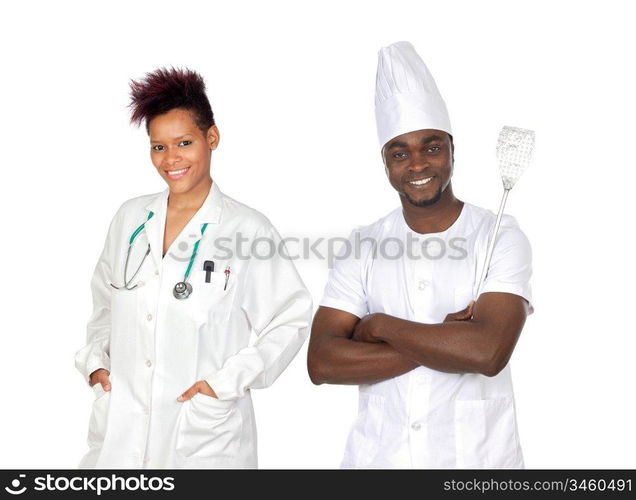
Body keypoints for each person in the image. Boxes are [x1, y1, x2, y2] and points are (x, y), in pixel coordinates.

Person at [307, 42, 533, 468]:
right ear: (386, 163)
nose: (417, 164)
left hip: (476, 463)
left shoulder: (499, 235)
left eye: (431, 147)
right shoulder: (364, 244)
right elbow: (322, 362)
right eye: (400, 152)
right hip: (379, 462)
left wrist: (379, 325)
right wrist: (446, 342)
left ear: (451, 149)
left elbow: (486, 354)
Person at [75, 67, 312, 468]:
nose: (171, 159)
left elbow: (291, 317)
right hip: (120, 437)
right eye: (158, 147)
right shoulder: (130, 218)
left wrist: (223, 386)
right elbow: (104, 304)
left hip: (204, 440)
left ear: (212, 138)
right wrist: (98, 365)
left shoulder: (247, 228)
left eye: (184, 142)